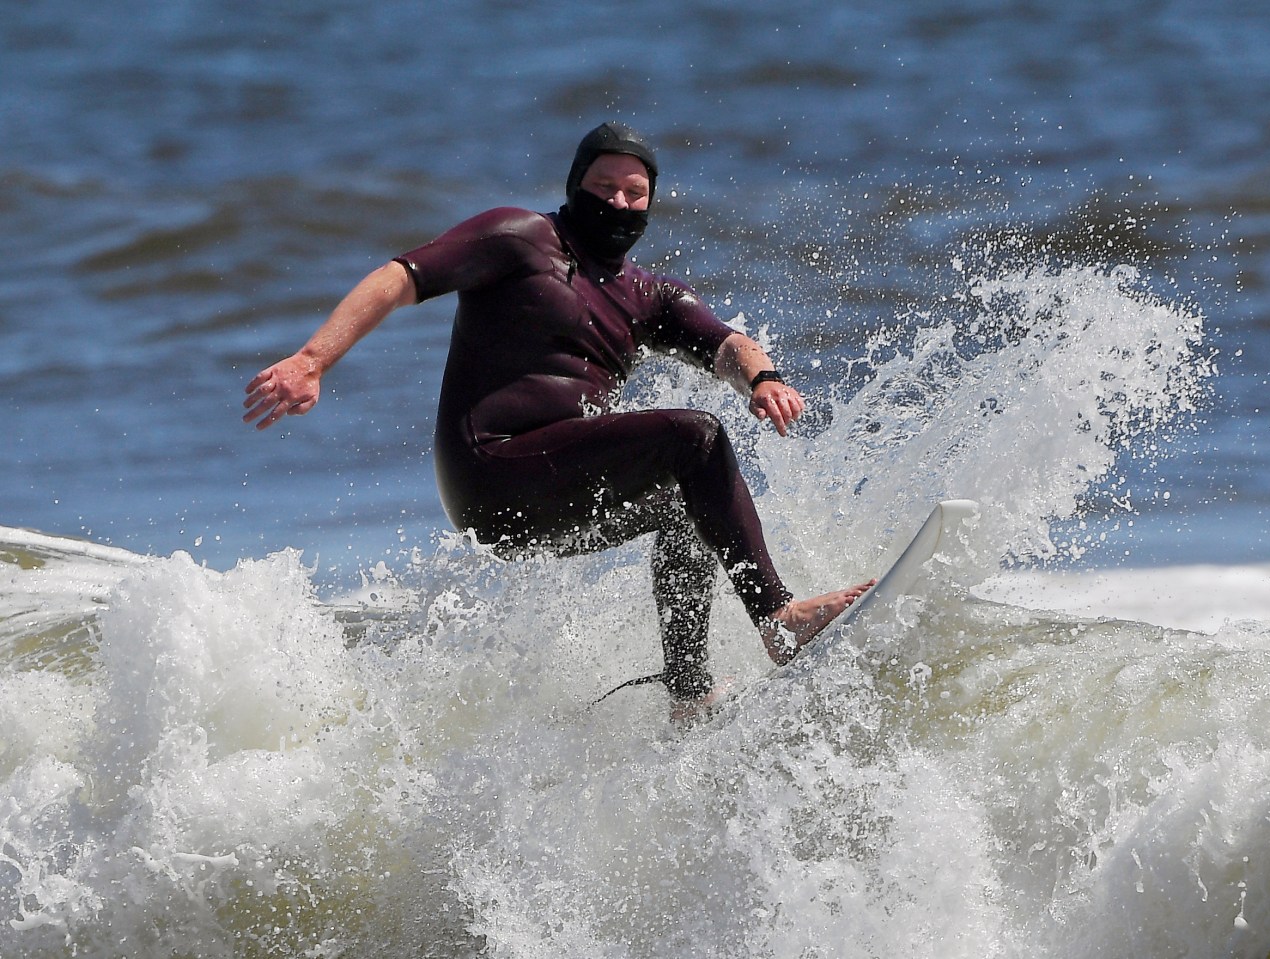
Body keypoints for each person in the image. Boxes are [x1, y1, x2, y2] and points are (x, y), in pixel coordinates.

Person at [243, 122, 872, 720]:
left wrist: (762, 378)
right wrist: (312, 359)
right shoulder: (517, 238)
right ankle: (778, 619)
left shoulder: (650, 296)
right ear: (575, 188)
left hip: (549, 500)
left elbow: (726, 343)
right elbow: (399, 277)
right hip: (491, 471)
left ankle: (689, 694)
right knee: (695, 437)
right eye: (605, 189)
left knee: (690, 507)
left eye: (636, 194)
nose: (619, 203)